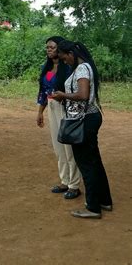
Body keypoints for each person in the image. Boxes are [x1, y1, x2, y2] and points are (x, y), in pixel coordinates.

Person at [51, 40, 113, 219]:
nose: (64, 62)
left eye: (64, 58)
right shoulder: (85, 67)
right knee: (94, 162)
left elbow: (83, 95)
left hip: (83, 121)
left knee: (86, 164)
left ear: (71, 54)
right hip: (89, 118)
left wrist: (63, 95)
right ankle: (104, 201)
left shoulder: (81, 69)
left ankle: (93, 207)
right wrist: (65, 99)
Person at [37, 36, 81, 199]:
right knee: (58, 146)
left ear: (60, 49)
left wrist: (65, 98)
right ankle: (65, 181)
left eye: (52, 47)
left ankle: (74, 185)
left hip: (66, 108)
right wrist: (40, 111)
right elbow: (43, 91)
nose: (49, 50)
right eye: (47, 47)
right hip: (52, 107)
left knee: (69, 147)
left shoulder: (69, 68)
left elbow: (76, 90)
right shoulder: (46, 68)